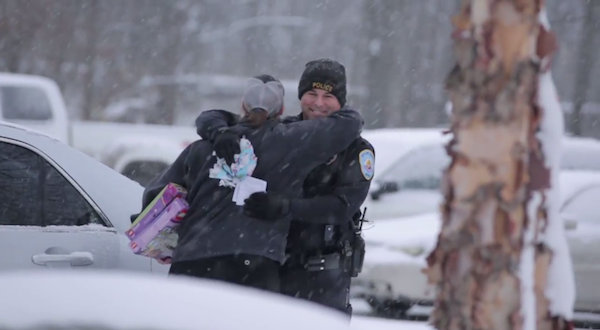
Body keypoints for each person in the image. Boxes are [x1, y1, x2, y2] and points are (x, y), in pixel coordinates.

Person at [138, 74, 363, 293]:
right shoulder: (292, 143)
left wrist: (217, 129)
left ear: (243, 106)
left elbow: (153, 197)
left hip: (191, 262)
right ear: (282, 111)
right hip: (254, 266)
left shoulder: (200, 149)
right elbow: (351, 123)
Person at [195, 59, 375, 315]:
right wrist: (220, 131)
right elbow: (214, 116)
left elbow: (342, 207)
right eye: (312, 94)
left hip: (324, 273)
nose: (319, 103)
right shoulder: (284, 131)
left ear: (341, 102)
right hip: (274, 266)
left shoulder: (357, 149)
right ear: (301, 96)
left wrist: (288, 207)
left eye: (328, 96)